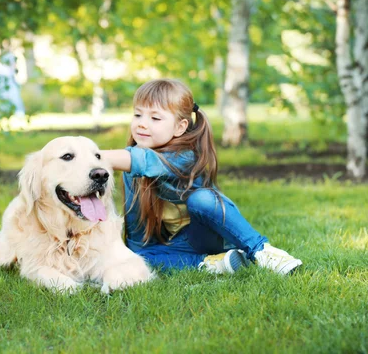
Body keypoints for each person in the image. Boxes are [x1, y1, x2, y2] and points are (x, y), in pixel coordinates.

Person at [101, 78, 303, 275]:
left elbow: (144, 160)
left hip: (206, 235)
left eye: (155, 118)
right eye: (138, 115)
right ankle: (212, 263)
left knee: (202, 199)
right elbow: (138, 233)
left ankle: (261, 250)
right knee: (137, 257)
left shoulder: (185, 157)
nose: (142, 124)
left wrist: (91, 157)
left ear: (180, 127)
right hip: (178, 244)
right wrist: (136, 254)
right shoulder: (132, 171)